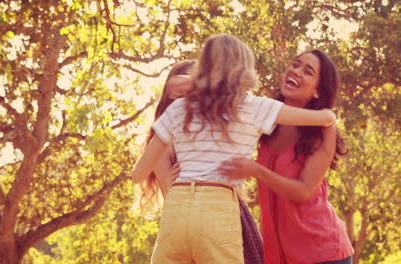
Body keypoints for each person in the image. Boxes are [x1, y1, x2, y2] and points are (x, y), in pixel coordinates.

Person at [131, 34, 335, 264]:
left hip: (176, 210)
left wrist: (172, 185)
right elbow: (326, 117)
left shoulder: (178, 108)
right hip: (217, 205)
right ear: (244, 70)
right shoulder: (255, 107)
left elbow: (137, 174)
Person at [218, 49, 354, 264]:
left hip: (322, 253)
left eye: (308, 71)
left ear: (318, 91)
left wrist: (256, 170)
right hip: (278, 257)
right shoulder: (266, 120)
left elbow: (303, 192)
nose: (296, 71)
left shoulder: (324, 129)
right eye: (295, 64)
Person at [139, 59, 195, 211]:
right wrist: (170, 185)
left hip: (230, 212)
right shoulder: (166, 144)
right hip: (190, 215)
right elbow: (169, 198)